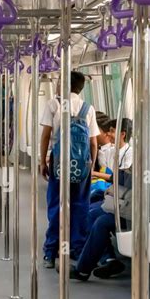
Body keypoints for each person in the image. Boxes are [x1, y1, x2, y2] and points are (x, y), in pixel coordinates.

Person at [70, 116, 150, 281]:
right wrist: (120, 175)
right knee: (94, 215)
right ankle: (104, 260)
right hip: (136, 205)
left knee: (100, 221)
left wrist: (119, 177)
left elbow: (137, 184)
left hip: (140, 211)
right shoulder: (148, 152)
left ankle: (83, 269)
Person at [40, 71, 99, 268]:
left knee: (57, 205)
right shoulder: (88, 108)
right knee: (80, 206)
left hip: (58, 163)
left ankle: (51, 251)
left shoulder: (54, 105)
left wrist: (43, 162)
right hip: (82, 166)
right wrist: (90, 165)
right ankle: (78, 249)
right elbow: (93, 143)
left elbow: (46, 136)